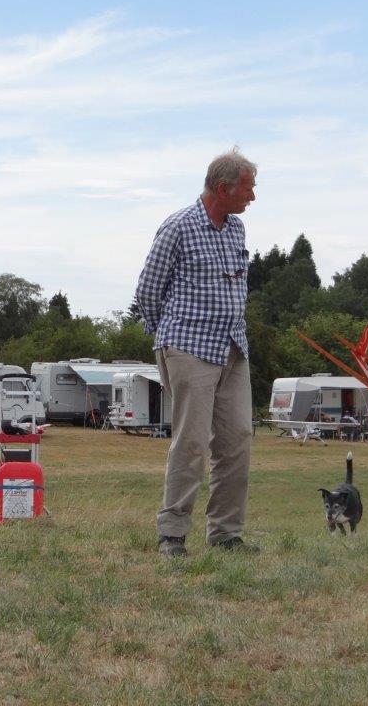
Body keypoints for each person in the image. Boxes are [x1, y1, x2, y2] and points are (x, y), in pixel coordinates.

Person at [135, 148, 258, 556]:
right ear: (223, 188)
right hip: (189, 348)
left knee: (237, 439)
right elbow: (147, 290)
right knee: (191, 443)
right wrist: (169, 338)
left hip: (233, 348)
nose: (252, 196)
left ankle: (225, 534)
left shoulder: (236, 229)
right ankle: (172, 534)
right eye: (247, 188)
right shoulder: (178, 226)